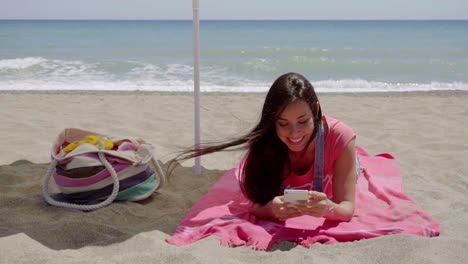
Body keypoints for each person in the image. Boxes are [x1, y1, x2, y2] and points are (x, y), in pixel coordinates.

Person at [170, 72, 358, 222]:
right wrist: (272, 210)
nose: (294, 134)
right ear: (273, 122)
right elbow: (254, 205)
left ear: (315, 111)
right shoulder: (263, 144)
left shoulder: (340, 138)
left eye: (303, 121)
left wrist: (327, 208)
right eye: (283, 124)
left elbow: (347, 208)